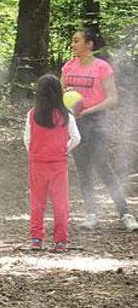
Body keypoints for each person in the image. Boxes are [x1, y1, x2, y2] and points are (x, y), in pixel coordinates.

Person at [61, 27, 138, 232]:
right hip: (74, 123)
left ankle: (125, 214)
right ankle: (91, 215)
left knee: (103, 167)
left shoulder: (102, 67)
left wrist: (87, 111)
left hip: (96, 122)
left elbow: (112, 100)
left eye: (77, 40)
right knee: (83, 169)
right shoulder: (68, 66)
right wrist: (67, 97)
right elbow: (61, 93)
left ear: (89, 44)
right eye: (73, 40)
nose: (73, 44)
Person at [24, 75, 81, 251]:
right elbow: (76, 138)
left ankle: (36, 239)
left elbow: (27, 139)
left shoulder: (32, 114)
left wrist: (35, 153)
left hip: (37, 163)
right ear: (59, 92)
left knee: (37, 202)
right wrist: (63, 149)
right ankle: (61, 241)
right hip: (58, 164)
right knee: (60, 202)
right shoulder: (66, 115)